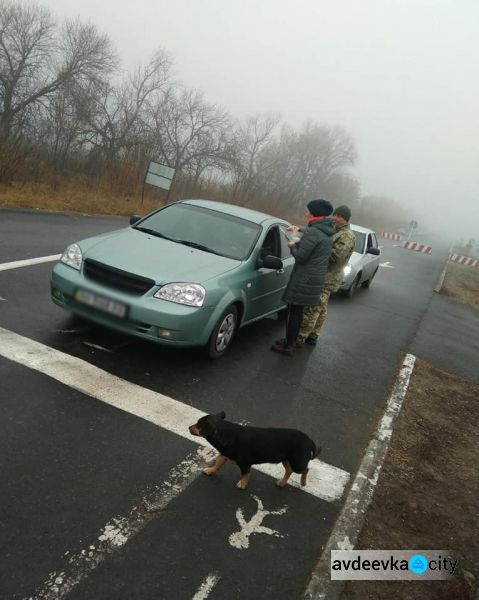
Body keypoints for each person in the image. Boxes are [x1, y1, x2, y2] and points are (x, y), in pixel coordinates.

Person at [271, 199, 335, 356]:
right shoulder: (326, 230)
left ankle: (289, 346)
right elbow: (314, 234)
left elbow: (300, 256)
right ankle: (291, 341)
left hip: (304, 279)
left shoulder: (314, 232)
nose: (306, 213)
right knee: (298, 312)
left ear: (315, 213)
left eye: (308, 211)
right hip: (313, 280)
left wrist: (292, 243)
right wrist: (299, 229)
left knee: (293, 312)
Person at [297, 204, 356, 347]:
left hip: (328, 277)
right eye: (335, 215)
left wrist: (319, 248)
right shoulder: (336, 230)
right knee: (321, 308)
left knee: (313, 308)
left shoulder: (347, 236)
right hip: (325, 275)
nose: (335, 218)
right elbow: (319, 234)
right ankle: (314, 335)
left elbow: (337, 257)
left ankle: (300, 337)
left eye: (339, 216)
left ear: (345, 219)